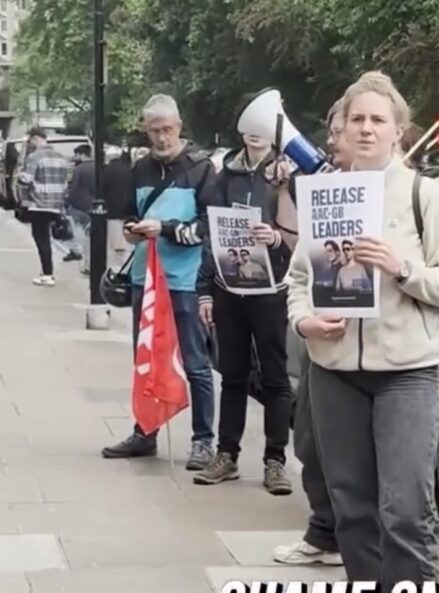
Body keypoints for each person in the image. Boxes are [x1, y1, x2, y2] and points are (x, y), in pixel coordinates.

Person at [286, 71, 439, 587]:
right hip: (334, 372)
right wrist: (305, 321)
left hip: (407, 374)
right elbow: (298, 280)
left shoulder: (425, 196)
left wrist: (402, 267)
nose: (366, 129)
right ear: (340, 131)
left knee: (406, 512)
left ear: (399, 132)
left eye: (378, 120)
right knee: (352, 509)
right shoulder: (324, 195)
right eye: (356, 120)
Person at [101, 94, 218, 471]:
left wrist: (165, 230)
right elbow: (133, 215)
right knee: (146, 357)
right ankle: (145, 431)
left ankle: (203, 441)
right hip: (145, 278)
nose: (162, 138)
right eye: (154, 131)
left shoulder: (201, 169)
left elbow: (207, 228)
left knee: (196, 362)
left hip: (184, 280)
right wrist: (135, 233)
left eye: (167, 130)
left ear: (179, 127)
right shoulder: (141, 169)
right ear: (146, 132)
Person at [194, 123, 295, 496]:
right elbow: (211, 233)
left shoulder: (285, 175)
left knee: (274, 376)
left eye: (262, 127)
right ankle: (226, 454)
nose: (254, 134)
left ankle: (275, 460)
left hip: (271, 290)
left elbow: (303, 235)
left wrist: (278, 238)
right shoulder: (226, 176)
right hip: (229, 288)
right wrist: (204, 290)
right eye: (248, 127)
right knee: (232, 374)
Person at [273, 98, 350, 566]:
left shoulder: (395, 191)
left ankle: (349, 534)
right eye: (337, 127)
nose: (334, 139)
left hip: (362, 345)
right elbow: (299, 256)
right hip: (318, 334)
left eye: (339, 130)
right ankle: (324, 531)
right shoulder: (327, 186)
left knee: (347, 451)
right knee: (309, 439)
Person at [17, 128, 69, 287]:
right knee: (49, 238)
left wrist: (20, 177)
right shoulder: (61, 158)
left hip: (39, 204)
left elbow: (26, 179)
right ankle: (48, 270)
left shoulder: (35, 157)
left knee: (42, 239)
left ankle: (47, 273)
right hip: (56, 203)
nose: (30, 144)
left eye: (30, 141)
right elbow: (65, 183)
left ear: (35, 139)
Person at [63, 144, 96, 273]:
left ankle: (83, 259)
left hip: (79, 207)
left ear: (81, 155)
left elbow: (73, 188)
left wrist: (67, 202)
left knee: (80, 234)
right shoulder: (99, 168)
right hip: (95, 206)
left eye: (77, 155)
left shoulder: (79, 169)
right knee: (94, 236)